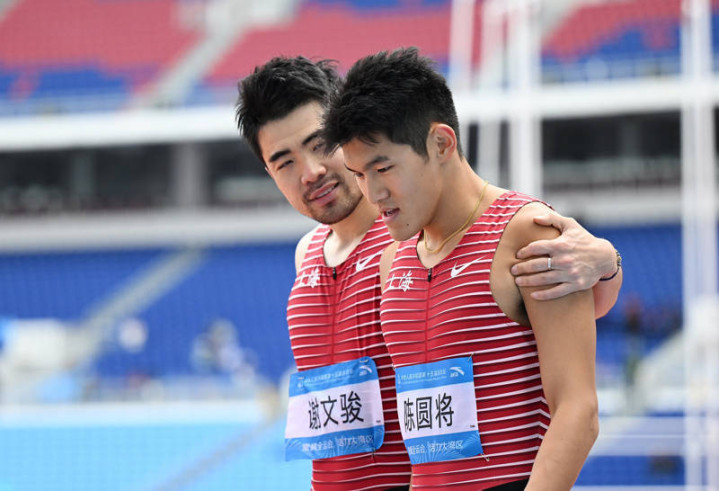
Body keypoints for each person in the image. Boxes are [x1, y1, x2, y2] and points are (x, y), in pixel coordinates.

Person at [236, 55, 621, 490]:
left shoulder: (440, 231)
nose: (311, 172)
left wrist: (607, 261)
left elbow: (578, 370)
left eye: (320, 144)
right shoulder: (334, 254)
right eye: (284, 162)